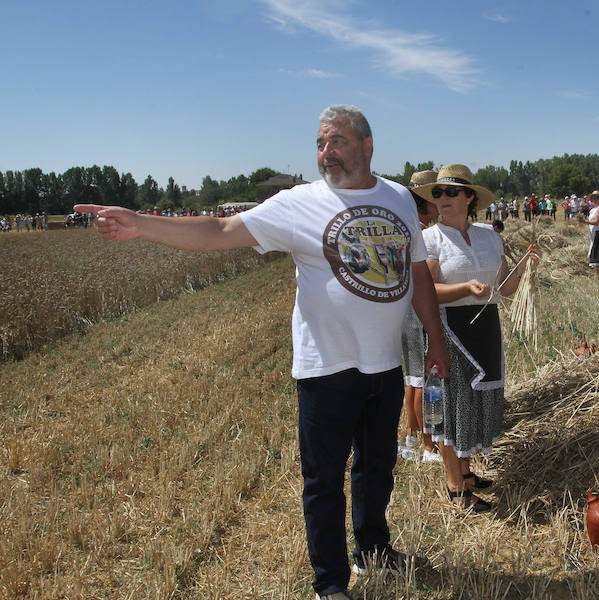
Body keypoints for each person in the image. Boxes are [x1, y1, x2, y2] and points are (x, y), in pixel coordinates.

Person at [76, 104, 450, 600]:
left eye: (336, 141)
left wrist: (436, 339)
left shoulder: (400, 199)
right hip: (325, 369)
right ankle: (331, 583)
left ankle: (372, 549)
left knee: (377, 467)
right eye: (319, 143)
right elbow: (220, 230)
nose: (326, 152)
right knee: (323, 481)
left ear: (367, 145)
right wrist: (142, 224)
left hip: (384, 365)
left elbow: (418, 272)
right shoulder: (299, 203)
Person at [415, 164, 540, 512]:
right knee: (454, 408)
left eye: (451, 192)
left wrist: (526, 265)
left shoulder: (488, 235)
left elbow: (505, 288)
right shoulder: (429, 239)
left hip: (485, 327)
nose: (442, 199)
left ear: (469, 197)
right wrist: (463, 288)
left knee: (476, 404)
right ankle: (456, 489)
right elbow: (427, 291)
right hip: (448, 330)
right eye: (437, 193)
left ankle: (467, 474)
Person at [400, 170, 443, 464]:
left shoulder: (405, 225)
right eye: (437, 198)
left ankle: (411, 437)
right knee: (424, 380)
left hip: (406, 311)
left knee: (413, 378)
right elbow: (426, 280)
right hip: (418, 311)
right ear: (426, 202)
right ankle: (429, 447)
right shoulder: (421, 233)